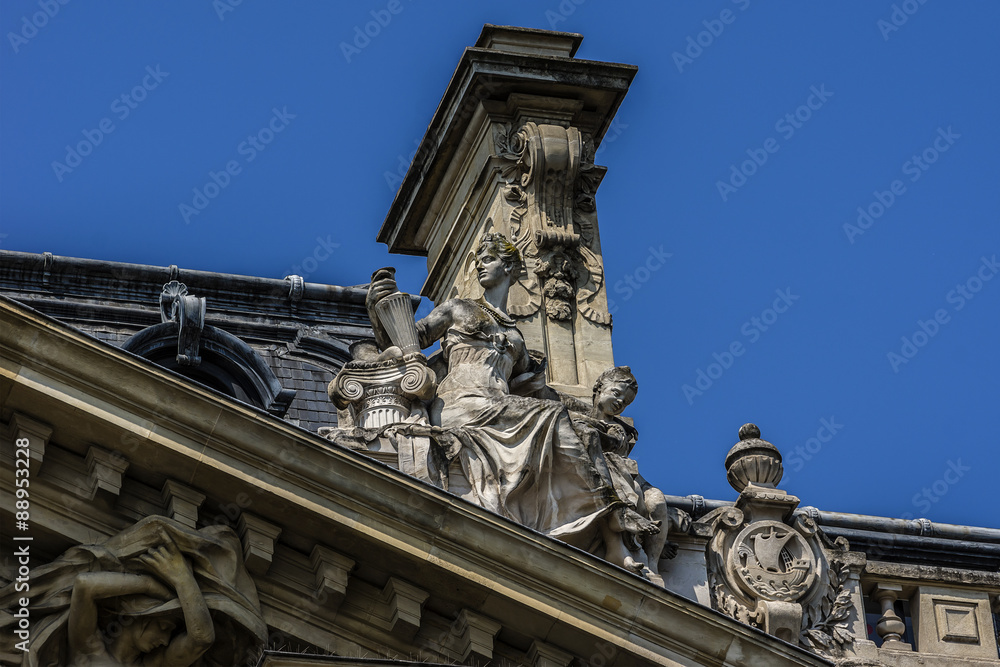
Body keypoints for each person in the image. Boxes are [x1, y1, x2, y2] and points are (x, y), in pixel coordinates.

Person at [367, 233, 643, 570]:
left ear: (509, 267)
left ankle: (613, 532)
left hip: (501, 406)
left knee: (582, 433)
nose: (480, 265)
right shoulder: (459, 309)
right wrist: (378, 309)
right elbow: (410, 339)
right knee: (554, 417)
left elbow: (545, 394)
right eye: (479, 259)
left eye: (489, 258)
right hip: (462, 404)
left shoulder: (516, 338)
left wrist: (595, 414)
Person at [572, 366, 671, 583]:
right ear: (599, 387)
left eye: (625, 402)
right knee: (628, 488)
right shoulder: (576, 411)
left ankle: (652, 565)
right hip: (604, 473)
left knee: (657, 501)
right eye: (616, 393)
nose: (619, 403)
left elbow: (626, 462)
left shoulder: (621, 429)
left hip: (628, 475)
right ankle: (620, 527)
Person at [67, 532, 215, 666]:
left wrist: (182, 578)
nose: (166, 640)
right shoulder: (89, 651)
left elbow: (201, 639)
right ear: (142, 615)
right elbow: (84, 585)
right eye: (163, 627)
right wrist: (148, 585)